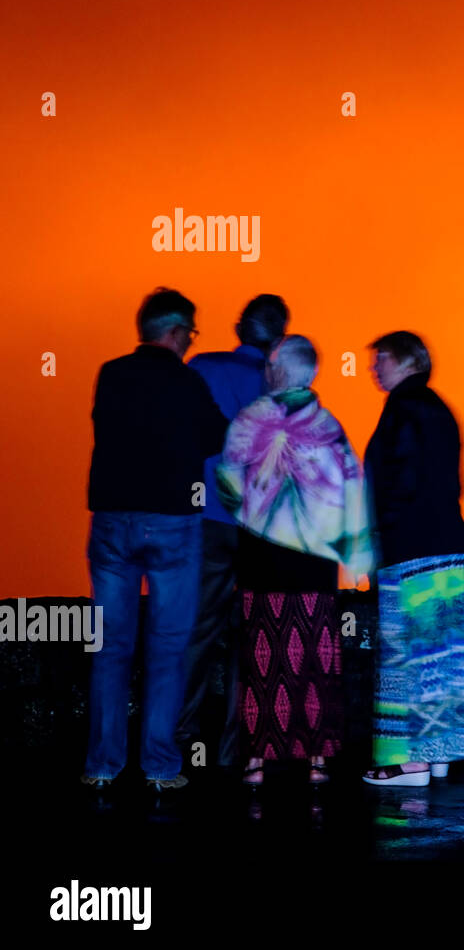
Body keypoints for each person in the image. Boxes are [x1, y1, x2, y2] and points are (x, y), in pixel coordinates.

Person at [83, 288, 228, 793]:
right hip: (172, 524)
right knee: (167, 648)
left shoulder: (112, 373)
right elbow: (216, 438)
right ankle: (161, 767)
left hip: (111, 524)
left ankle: (102, 765)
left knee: (111, 647)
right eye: (191, 333)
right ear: (177, 332)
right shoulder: (188, 382)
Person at [217, 335, 372, 789]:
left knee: (262, 659)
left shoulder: (248, 422)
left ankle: (257, 760)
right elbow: (352, 490)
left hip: (262, 560)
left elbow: (228, 487)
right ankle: (319, 758)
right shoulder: (329, 427)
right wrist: (356, 555)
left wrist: (261, 516)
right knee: (315, 657)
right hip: (315, 563)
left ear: (279, 371)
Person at [176, 294, 289, 771]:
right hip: (256, 528)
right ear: (279, 339)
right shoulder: (275, 385)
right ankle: (236, 749)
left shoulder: (200, 365)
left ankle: (178, 739)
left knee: (195, 631)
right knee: (252, 638)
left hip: (203, 522)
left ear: (238, 326)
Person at [361, 331, 464, 786]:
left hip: (410, 547)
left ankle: (409, 763)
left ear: (409, 360)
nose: (374, 367)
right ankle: (440, 754)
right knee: (442, 652)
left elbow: (399, 483)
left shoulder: (401, 410)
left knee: (407, 651)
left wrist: (379, 537)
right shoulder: (439, 409)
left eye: (382, 358)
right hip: (447, 542)